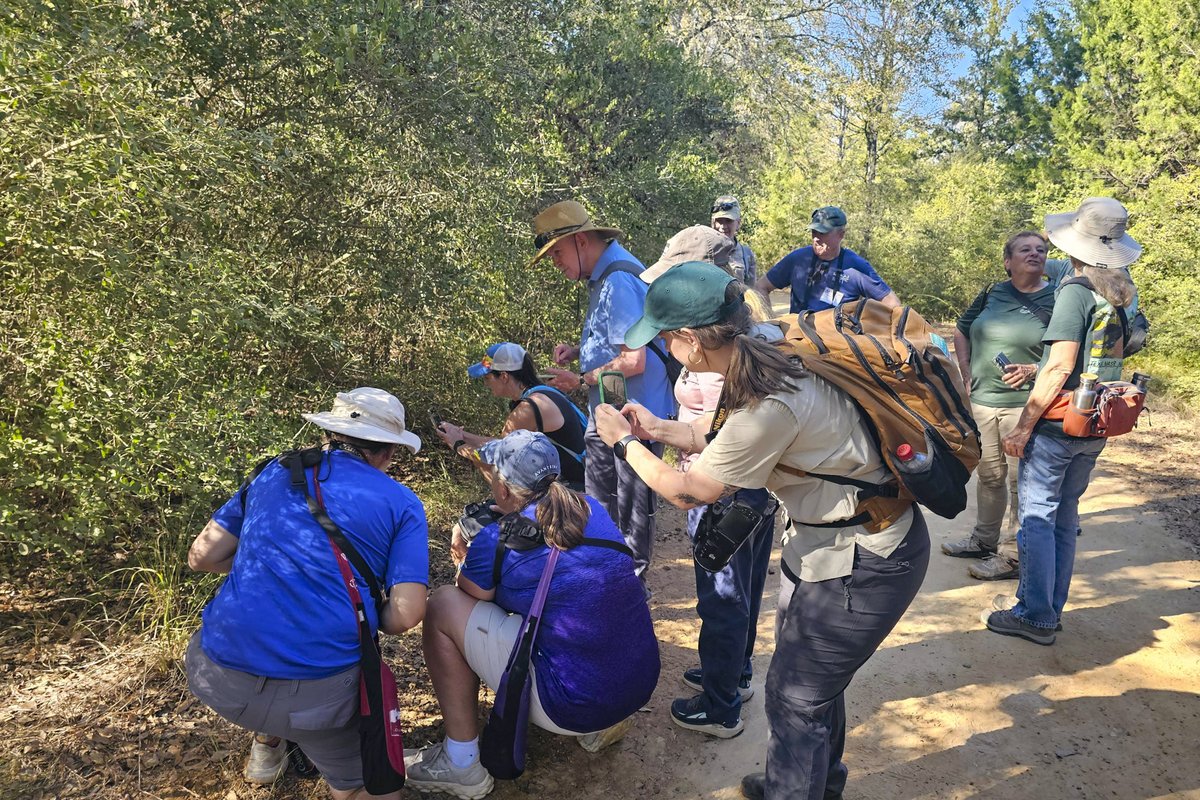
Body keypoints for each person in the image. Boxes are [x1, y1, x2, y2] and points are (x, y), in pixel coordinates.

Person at [594, 262, 929, 800]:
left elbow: (691, 491)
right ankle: (808, 784)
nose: (665, 350)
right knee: (814, 690)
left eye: (665, 340)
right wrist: (656, 428)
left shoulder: (770, 398)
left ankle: (793, 789)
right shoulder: (771, 354)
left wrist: (622, 443)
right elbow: (722, 435)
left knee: (794, 697)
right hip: (830, 547)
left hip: (862, 560)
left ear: (692, 343)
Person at [185, 388, 429, 799]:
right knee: (362, 786)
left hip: (216, 676)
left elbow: (202, 556)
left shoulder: (274, 472)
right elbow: (405, 616)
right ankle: (315, 755)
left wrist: (272, 565)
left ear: (329, 435)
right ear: (389, 452)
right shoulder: (401, 503)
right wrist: (371, 611)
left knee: (277, 613)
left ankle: (267, 746)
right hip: (319, 697)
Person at [404, 430, 659, 799]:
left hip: (570, 707)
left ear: (503, 490)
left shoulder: (497, 539)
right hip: (635, 687)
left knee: (443, 604)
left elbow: (470, 602)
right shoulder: (592, 508)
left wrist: (465, 558)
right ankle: (605, 724)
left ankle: (461, 763)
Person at [987, 197, 1141, 645]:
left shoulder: (1075, 291)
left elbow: (1059, 366)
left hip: (1058, 424)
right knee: (1065, 515)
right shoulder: (1122, 293)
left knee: (1036, 517)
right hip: (1098, 420)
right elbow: (1109, 356)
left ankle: (1035, 615)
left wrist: (1022, 426)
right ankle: (1051, 607)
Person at [644, 225, 776, 738]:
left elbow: (714, 444)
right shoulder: (750, 327)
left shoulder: (723, 348)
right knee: (741, 585)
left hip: (725, 485)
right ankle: (733, 674)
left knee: (721, 594)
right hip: (751, 483)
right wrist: (659, 427)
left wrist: (631, 441)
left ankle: (721, 705)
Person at [530, 199, 675, 584]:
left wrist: (580, 380)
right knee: (601, 506)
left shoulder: (617, 281)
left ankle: (630, 588)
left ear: (580, 241)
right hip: (611, 413)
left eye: (556, 253)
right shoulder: (606, 275)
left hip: (633, 419)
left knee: (630, 510)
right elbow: (618, 340)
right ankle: (606, 579)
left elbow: (634, 360)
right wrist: (579, 351)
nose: (555, 263)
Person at [942, 232, 1055, 581]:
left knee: (1022, 482)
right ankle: (983, 541)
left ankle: (1012, 556)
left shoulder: (1058, 298)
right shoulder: (992, 292)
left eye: (1040, 250)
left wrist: (1033, 369)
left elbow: (1070, 350)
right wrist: (964, 367)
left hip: (1026, 405)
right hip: (983, 402)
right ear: (1008, 261)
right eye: (1025, 249)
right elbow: (962, 330)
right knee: (990, 475)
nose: (1034, 254)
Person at [435, 341, 587, 489]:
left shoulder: (528, 409)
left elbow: (499, 457)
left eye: (487, 378)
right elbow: (502, 445)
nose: (486, 384)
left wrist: (458, 445)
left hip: (574, 489)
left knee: (498, 474)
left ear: (504, 376)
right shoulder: (543, 392)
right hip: (584, 477)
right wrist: (461, 435)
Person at [755, 206, 901, 313]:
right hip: (797, 340)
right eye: (814, 232)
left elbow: (892, 304)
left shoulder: (856, 267)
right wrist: (770, 322)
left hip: (837, 346)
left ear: (841, 235)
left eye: (823, 233)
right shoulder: (798, 259)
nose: (816, 238)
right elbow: (761, 286)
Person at [710, 194, 758, 285]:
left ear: (738, 223)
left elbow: (752, 293)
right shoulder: (703, 250)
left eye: (728, 221)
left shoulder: (747, 255)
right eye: (719, 221)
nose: (723, 227)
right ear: (713, 223)